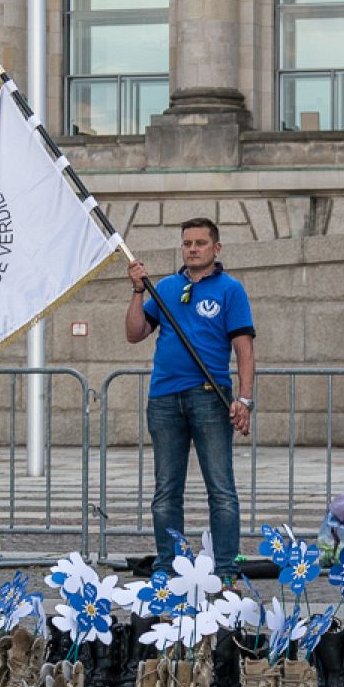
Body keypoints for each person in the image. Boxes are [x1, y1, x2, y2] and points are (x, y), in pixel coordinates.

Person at [125, 216, 255, 572]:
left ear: (216, 248)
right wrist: (138, 291)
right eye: (187, 243)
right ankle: (171, 566)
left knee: (221, 489)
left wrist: (244, 398)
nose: (193, 249)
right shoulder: (164, 287)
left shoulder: (230, 289)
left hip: (209, 396)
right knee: (166, 490)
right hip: (164, 398)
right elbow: (135, 333)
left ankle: (226, 569)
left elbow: (244, 349)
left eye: (200, 243)